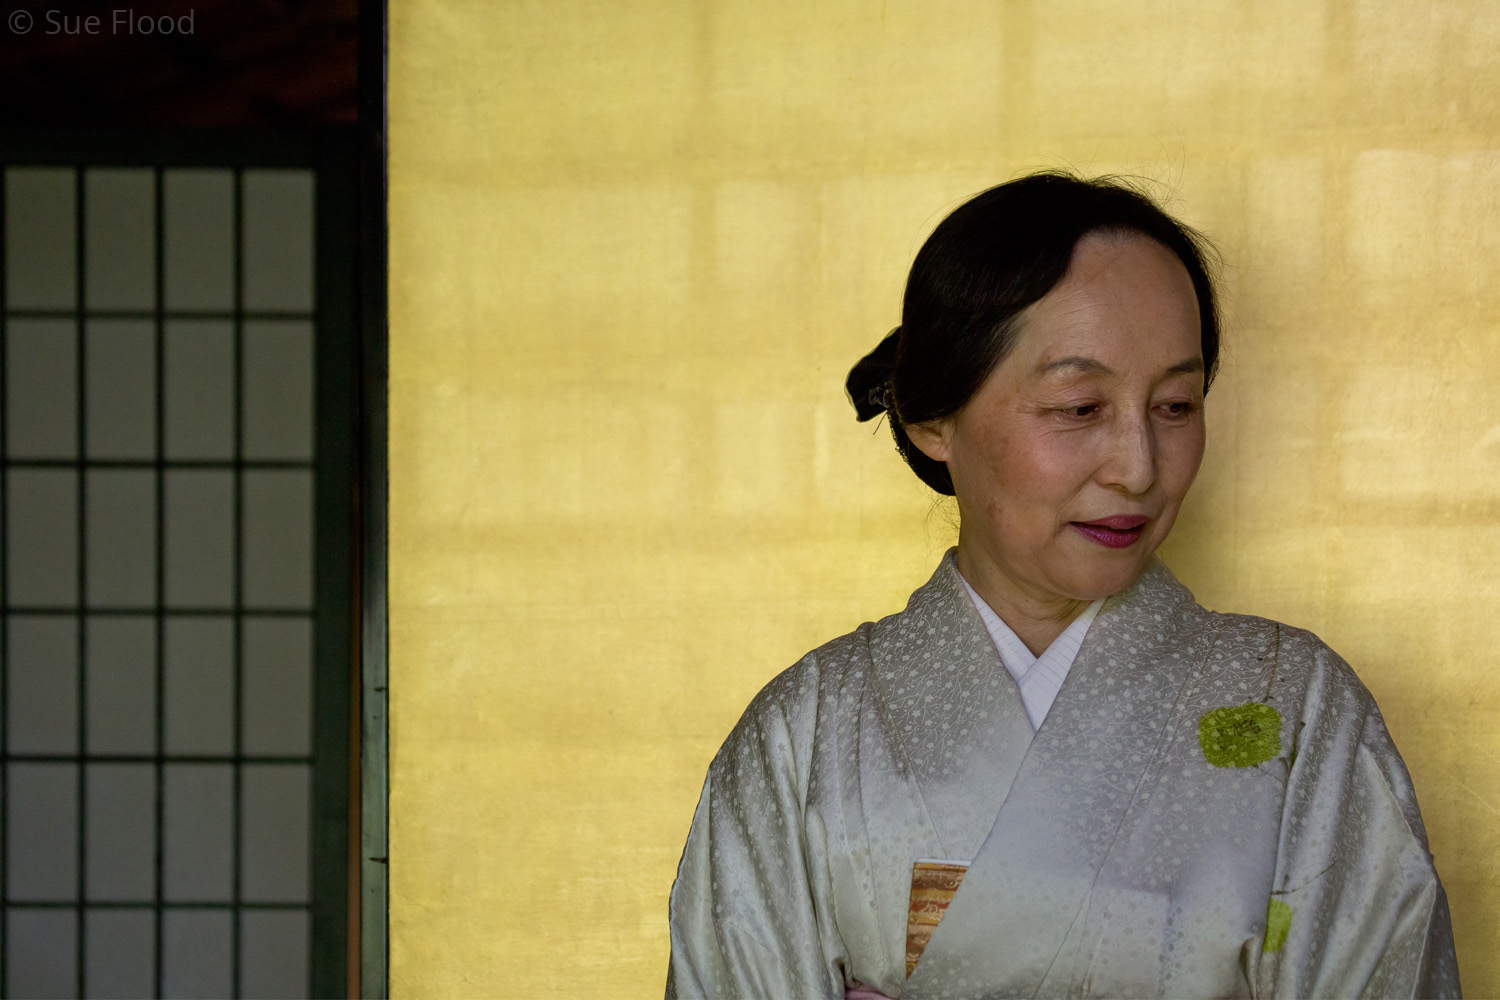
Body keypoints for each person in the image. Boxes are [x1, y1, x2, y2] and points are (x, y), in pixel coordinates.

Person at [664, 173, 1460, 999]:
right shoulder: (805, 738)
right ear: (932, 419)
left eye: (1177, 405)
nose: (1140, 468)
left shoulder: (1297, 710)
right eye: (1080, 407)